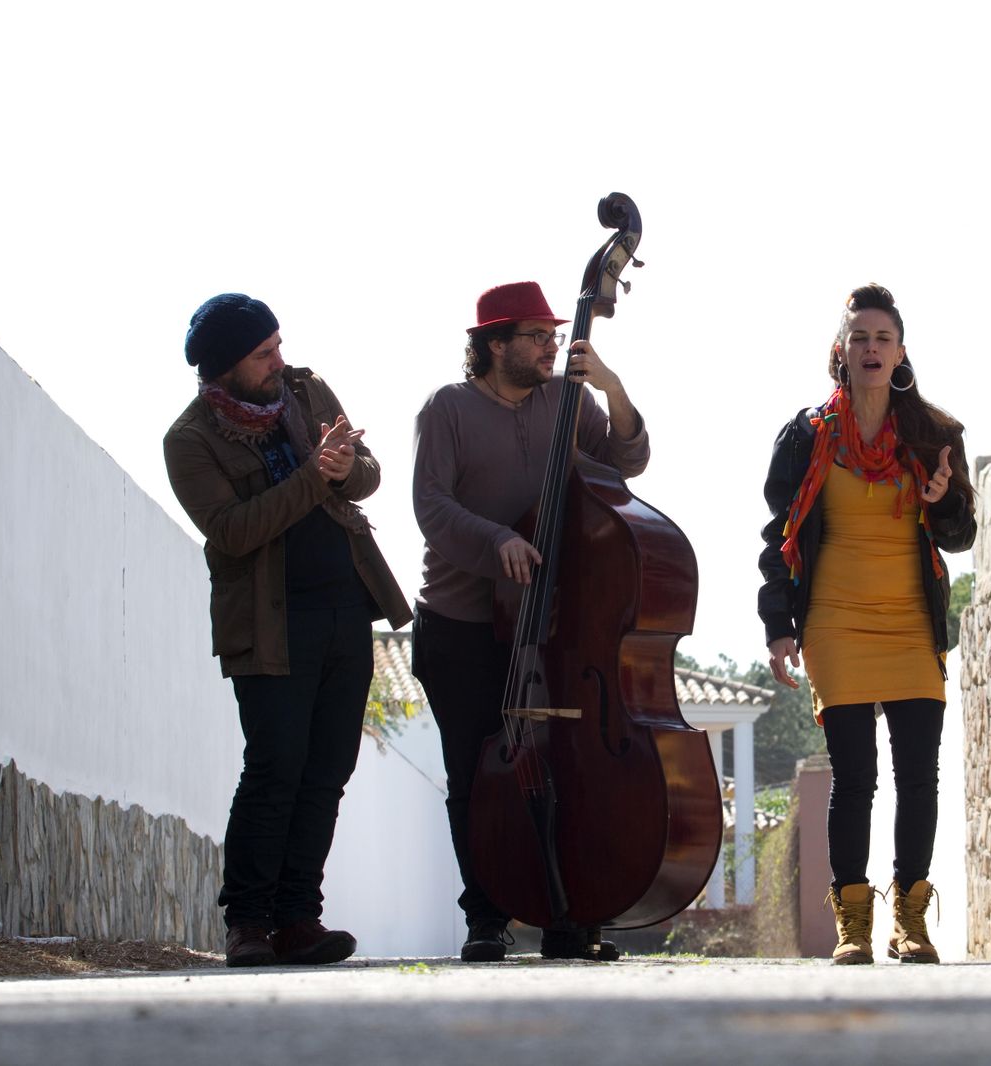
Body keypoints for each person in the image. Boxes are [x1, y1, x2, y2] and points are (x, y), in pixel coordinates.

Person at [163, 293, 412, 968]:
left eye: (277, 344)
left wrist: (342, 469)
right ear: (223, 369)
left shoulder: (307, 390)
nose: (279, 360)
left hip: (344, 606)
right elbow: (234, 531)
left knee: (328, 771)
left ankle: (300, 917)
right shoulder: (189, 440)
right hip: (268, 624)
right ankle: (248, 924)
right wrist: (312, 476)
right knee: (275, 768)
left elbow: (367, 473)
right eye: (262, 353)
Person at [410, 281, 649, 962]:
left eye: (553, 335)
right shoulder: (448, 409)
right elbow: (430, 505)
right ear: (492, 343)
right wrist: (498, 541)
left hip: (553, 623)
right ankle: (485, 918)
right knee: (478, 774)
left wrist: (611, 387)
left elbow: (626, 464)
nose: (553, 346)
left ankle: (566, 916)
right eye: (537, 337)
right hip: (463, 622)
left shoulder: (565, 400)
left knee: (570, 767)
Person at [757, 283, 976, 965]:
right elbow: (780, 535)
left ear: (901, 351)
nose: (872, 348)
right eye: (860, 337)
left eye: (883, 338)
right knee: (855, 777)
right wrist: (778, 622)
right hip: (836, 621)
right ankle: (853, 923)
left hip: (911, 620)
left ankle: (911, 920)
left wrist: (941, 504)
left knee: (919, 775)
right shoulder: (807, 436)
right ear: (841, 352)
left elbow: (961, 535)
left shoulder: (934, 436)